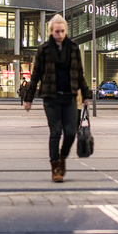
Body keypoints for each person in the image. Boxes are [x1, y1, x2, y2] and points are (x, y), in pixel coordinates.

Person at [23, 13, 92, 182]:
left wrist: (86, 95)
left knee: (70, 132)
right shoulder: (44, 50)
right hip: (51, 98)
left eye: (62, 31)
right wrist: (28, 98)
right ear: (50, 32)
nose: (59, 34)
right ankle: (56, 168)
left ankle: (62, 157)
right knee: (55, 132)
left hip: (69, 97)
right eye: (56, 32)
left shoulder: (74, 48)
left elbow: (80, 74)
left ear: (66, 31)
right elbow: (36, 75)